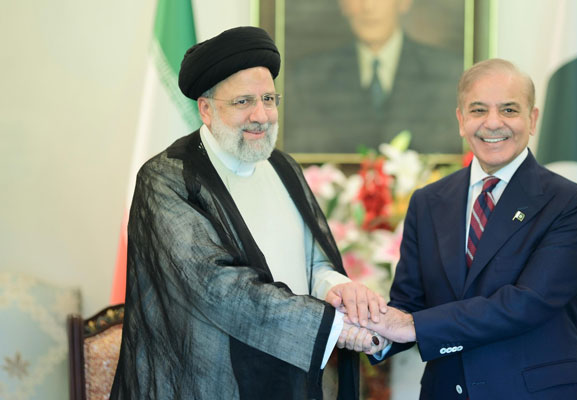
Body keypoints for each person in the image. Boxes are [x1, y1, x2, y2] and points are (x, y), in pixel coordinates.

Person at [110, 26, 388, 400]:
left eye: (269, 99)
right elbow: (216, 287)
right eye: (243, 102)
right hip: (208, 383)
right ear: (206, 109)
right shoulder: (168, 178)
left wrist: (339, 290)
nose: (262, 115)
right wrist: (334, 329)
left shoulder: (284, 167)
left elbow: (313, 263)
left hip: (289, 378)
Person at [359, 59, 577, 399]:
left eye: (509, 110)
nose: (493, 123)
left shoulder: (569, 203)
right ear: (461, 120)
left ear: (532, 119)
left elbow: (526, 303)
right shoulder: (428, 202)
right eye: (478, 110)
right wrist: (373, 333)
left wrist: (411, 327)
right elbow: (409, 302)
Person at [284, 0, 464, 154]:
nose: (368, 7)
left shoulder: (446, 74)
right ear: (342, 4)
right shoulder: (309, 78)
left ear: (404, 2)